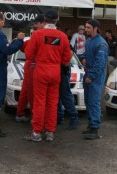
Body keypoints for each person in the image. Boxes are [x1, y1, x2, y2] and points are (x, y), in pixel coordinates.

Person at [24, 9, 71, 142]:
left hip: (41, 71)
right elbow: (66, 59)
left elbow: (28, 55)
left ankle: (36, 133)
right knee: (52, 102)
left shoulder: (38, 34)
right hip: (55, 72)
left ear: (45, 19)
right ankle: (50, 132)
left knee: (39, 102)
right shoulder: (62, 36)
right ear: (56, 20)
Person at [15, 14, 45, 122]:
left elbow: (24, 48)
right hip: (34, 65)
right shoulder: (38, 34)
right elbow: (28, 50)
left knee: (26, 90)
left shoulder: (34, 35)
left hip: (31, 64)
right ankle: (34, 116)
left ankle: (21, 113)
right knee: (32, 92)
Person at [82, 19, 109, 140]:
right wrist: (83, 58)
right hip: (88, 73)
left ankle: (95, 129)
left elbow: (100, 63)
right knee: (88, 101)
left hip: (95, 77)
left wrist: (90, 76)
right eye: (85, 27)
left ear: (95, 28)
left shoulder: (101, 43)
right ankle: (90, 125)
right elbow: (86, 54)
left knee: (94, 102)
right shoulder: (89, 40)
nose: (86, 29)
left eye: (88, 27)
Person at [57, 45, 79, 130]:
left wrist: (65, 62)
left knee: (65, 94)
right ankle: (59, 117)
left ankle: (74, 118)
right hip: (56, 69)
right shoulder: (54, 39)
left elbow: (70, 51)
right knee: (56, 95)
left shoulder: (61, 39)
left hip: (63, 69)